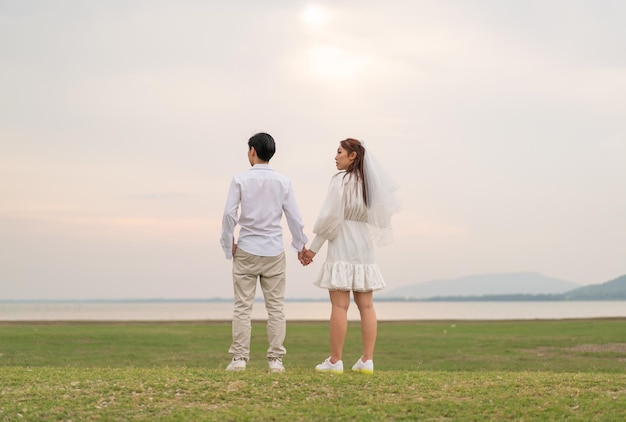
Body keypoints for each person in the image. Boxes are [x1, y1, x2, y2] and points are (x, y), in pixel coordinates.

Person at [302, 138, 400, 374]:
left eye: (339, 152)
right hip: (363, 245)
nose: (335, 157)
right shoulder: (369, 185)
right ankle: (367, 360)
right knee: (367, 306)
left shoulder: (340, 182)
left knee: (339, 305)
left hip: (342, 241)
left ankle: (335, 361)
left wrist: (313, 248)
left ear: (352, 156)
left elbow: (329, 219)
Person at [220, 132, 309, 373]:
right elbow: (294, 217)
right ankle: (275, 360)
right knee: (276, 307)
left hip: (247, 248)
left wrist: (229, 243)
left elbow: (229, 214)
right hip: (273, 250)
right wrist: (301, 245)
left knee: (242, 306)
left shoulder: (239, 180)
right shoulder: (283, 182)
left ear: (252, 151)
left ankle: (239, 358)